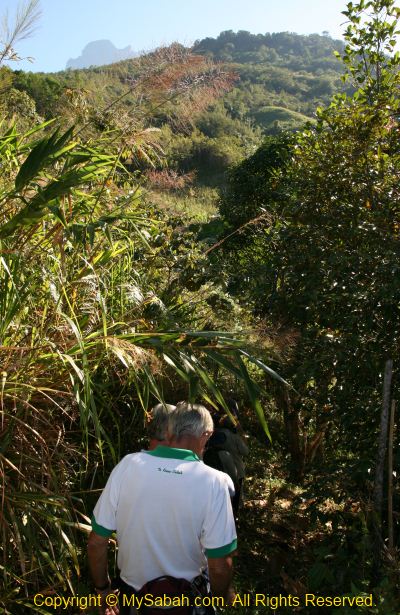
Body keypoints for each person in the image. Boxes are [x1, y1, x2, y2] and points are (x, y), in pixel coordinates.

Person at [88, 402, 237, 615]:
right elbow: (220, 565)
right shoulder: (214, 482)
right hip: (187, 603)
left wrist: (103, 590)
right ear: (206, 434)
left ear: (169, 430)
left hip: (133, 602)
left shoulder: (128, 466)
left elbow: (96, 543)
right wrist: (223, 596)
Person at [203, 401, 249, 518]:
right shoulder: (234, 437)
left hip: (216, 468)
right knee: (235, 498)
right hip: (236, 470)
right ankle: (235, 518)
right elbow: (246, 451)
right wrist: (242, 436)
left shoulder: (213, 434)